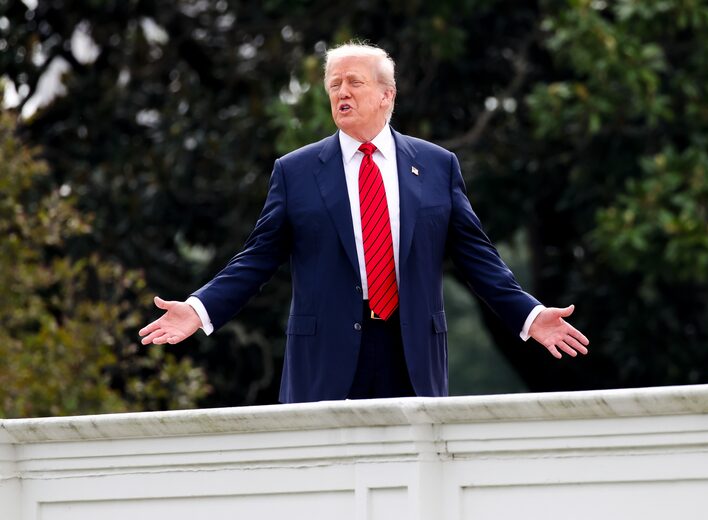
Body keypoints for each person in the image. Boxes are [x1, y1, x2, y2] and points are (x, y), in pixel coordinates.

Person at [139, 42, 589, 403]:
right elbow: (257, 258)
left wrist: (529, 314)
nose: (342, 93)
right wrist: (199, 309)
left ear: (387, 95)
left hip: (411, 353)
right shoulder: (295, 172)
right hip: (326, 356)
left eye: (354, 82)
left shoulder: (437, 165)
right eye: (334, 85)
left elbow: (478, 258)